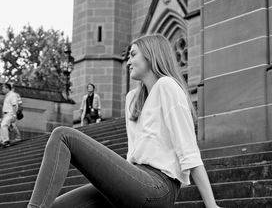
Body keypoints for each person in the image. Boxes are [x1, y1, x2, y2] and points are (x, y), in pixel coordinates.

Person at [27, 34, 221, 208]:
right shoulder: (132, 99)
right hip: (137, 180)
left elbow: (190, 153)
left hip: (159, 187)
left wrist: (211, 205)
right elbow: (132, 156)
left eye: (133, 55)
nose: (128, 62)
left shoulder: (167, 86)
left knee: (63, 136)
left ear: (150, 56)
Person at [0, 83, 19, 148]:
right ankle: (0, 141)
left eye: (3, 88)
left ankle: (6, 141)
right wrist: (2, 118)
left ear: (7, 88)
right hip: (6, 114)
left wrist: (14, 115)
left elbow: (14, 105)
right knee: (2, 126)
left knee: (4, 125)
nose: (2, 90)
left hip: (10, 113)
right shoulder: (7, 95)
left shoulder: (12, 95)